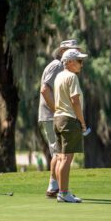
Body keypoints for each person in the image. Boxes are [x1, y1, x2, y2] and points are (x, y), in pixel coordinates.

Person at [38, 39, 80, 197]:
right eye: (72, 51)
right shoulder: (56, 65)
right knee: (60, 153)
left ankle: (53, 186)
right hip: (51, 115)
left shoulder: (59, 67)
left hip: (51, 115)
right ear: (63, 51)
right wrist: (57, 110)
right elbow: (44, 89)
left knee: (57, 152)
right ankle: (58, 189)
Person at [53, 48, 89, 203]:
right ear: (70, 62)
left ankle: (62, 191)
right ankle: (63, 192)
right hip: (68, 119)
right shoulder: (72, 77)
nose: (81, 64)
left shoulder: (59, 77)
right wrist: (82, 122)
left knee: (61, 158)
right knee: (67, 159)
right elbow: (75, 102)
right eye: (79, 61)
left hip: (57, 119)